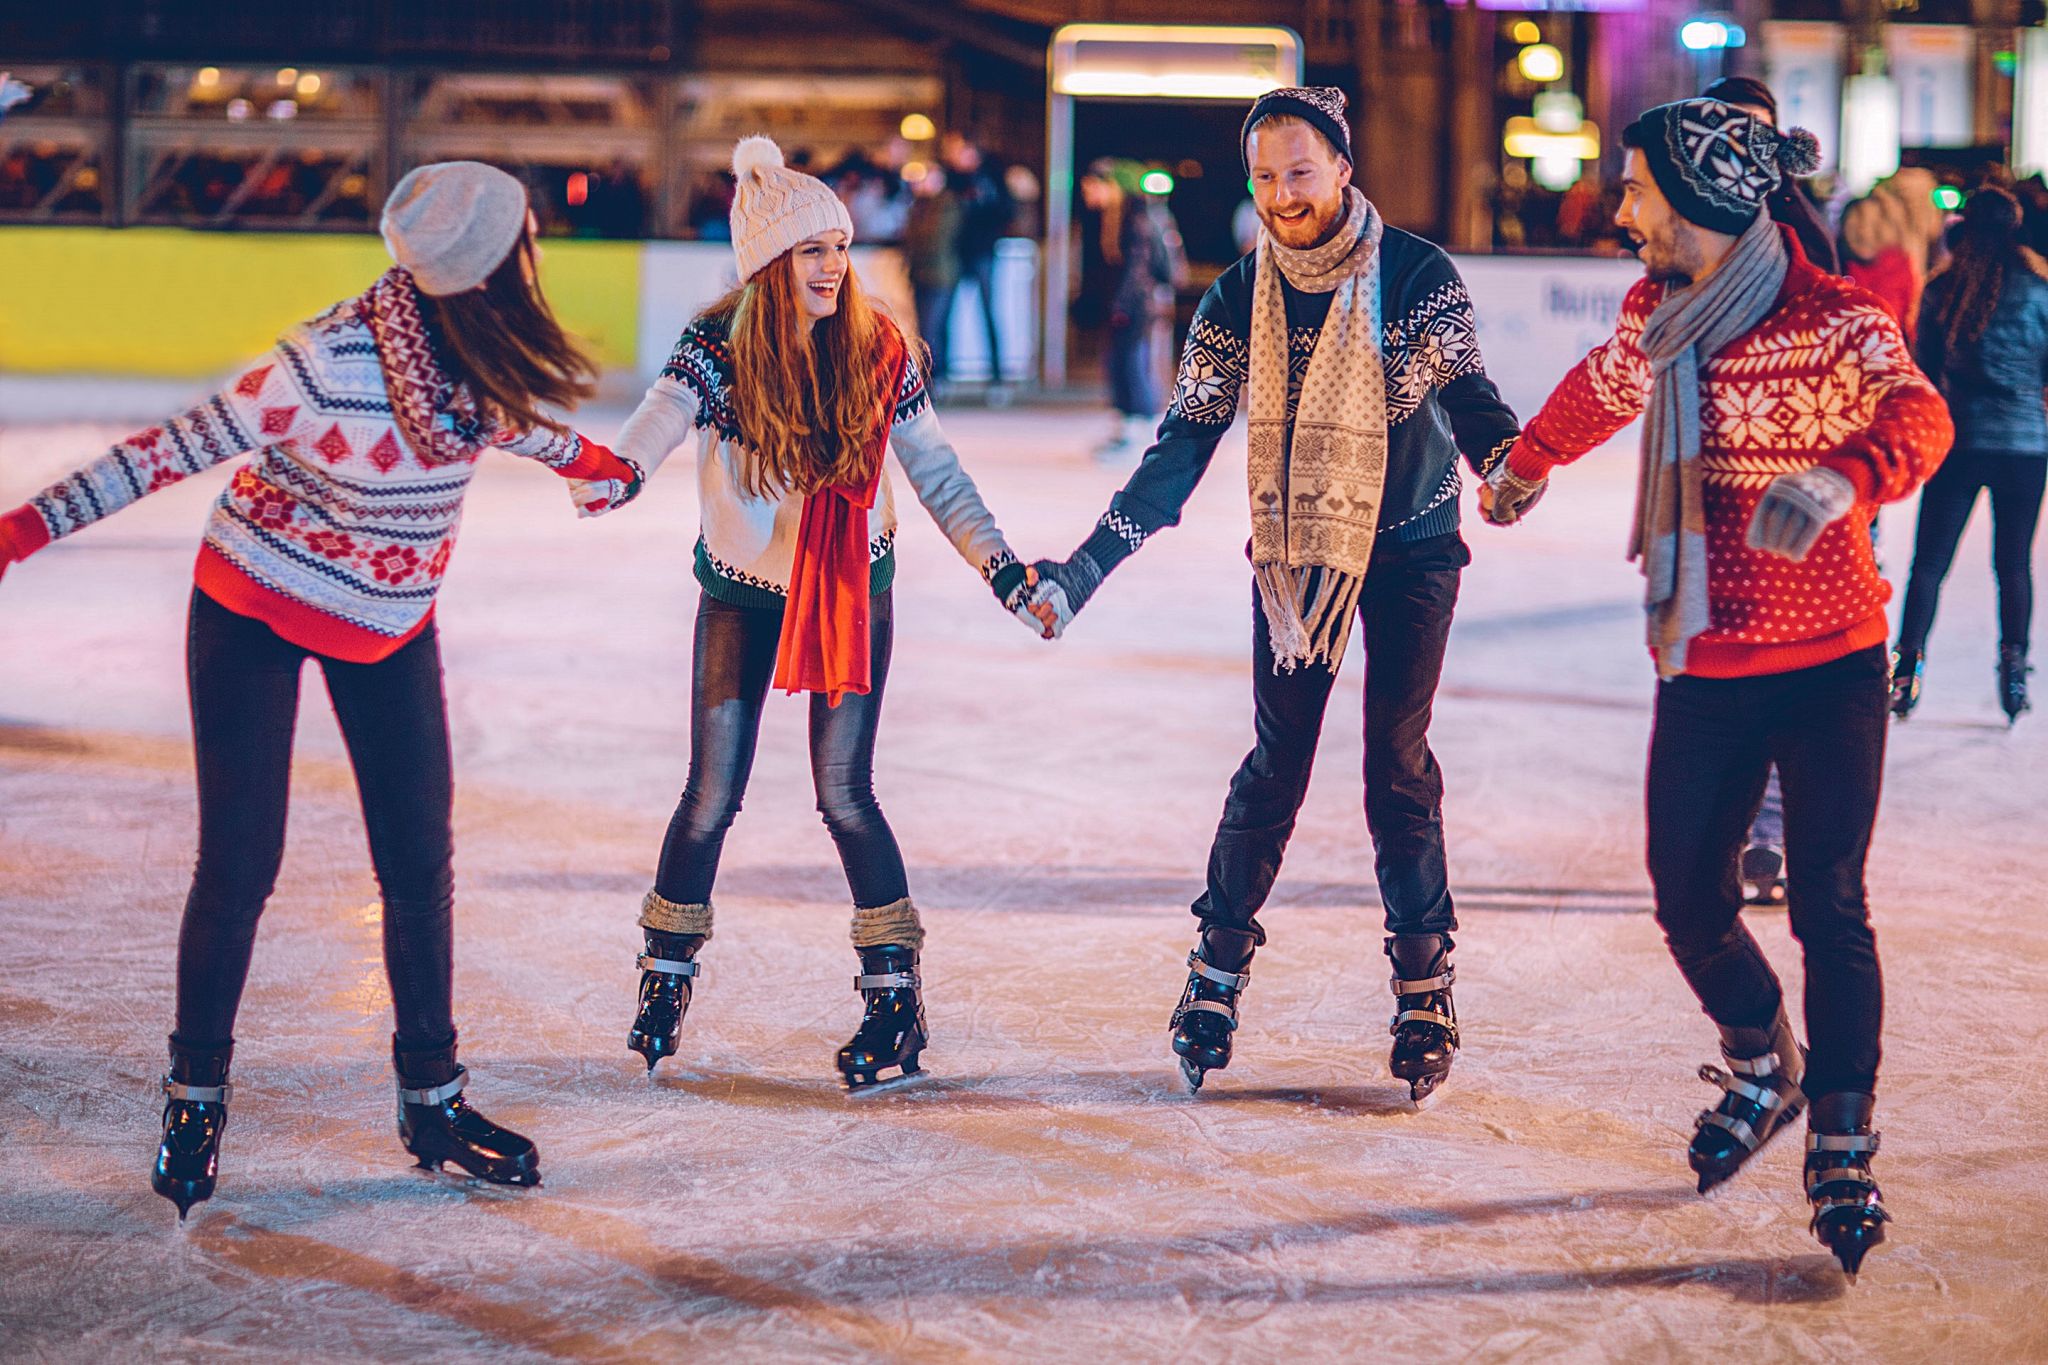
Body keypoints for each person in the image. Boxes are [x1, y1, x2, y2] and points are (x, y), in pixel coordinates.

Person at [0, 162, 639, 1216]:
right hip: (254, 600)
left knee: (416, 857)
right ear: (492, 262)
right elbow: (168, 450)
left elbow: (513, 426)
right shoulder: (323, 361)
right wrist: (24, 529)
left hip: (386, 619)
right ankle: (195, 1097)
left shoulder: (479, 360)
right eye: (528, 235)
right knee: (242, 860)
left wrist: (592, 462)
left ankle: (429, 1097)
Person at [1483, 100, 1951, 1277]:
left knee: (1826, 906)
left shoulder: (1832, 316)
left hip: (1831, 661)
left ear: (1694, 199)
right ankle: (1762, 1064)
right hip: (1703, 658)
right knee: (1686, 900)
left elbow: (1918, 414)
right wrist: (1524, 463)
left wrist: (1844, 478)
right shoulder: (1656, 314)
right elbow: (1597, 391)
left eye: (1635, 187)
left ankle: (1840, 1136)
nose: (1620, 208)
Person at [1031, 87, 1523, 1108]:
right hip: (1296, 562)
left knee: (1396, 764)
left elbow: (1473, 402)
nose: (1280, 195)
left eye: (1298, 171)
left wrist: (1512, 464)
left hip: (1414, 548)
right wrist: (1081, 570)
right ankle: (1214, 970)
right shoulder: (1236, 296)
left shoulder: (1417, 276)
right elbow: (1179, 448)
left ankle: (1422, 985)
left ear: (1342, 168)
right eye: (1262, 177)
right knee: (1275, 762)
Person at [573, 137, 1056, 1091]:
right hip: (742, 595)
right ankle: (666, 974)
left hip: (847, 591)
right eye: (812, 250)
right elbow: (662, 416)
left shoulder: (880, 351)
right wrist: (621, 471)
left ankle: (895, 999)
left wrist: (1001, 566)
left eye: (839, 246)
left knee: (845, 794)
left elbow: (937, 474)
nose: (835, 266)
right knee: (710, 793)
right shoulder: (716, 349)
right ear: (768, 263)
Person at [1892, 186, 2047, 724]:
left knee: (1929, 564)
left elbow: (1923, 373)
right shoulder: (2041, 289)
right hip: (2025, 448)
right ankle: (2013, 674)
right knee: (2014, 566)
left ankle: (1906, 669)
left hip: (1957, 445)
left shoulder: (1942, 288)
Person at [1077, 159, 1185, 459]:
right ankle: (1125, 427)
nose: (1088, 195)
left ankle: (1139, 430)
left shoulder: (1134, 216)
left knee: (1131, 362)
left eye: (1091, 188)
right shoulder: (1113, 216)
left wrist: (1121, 304)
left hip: (1137, 305)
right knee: (1118, 362)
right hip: (1125, 303)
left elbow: (1137, 268)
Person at [942, 132, 1014, 393]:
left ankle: (997, 378)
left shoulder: (991, 177)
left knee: (989, 314)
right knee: (944, 316)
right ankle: (941, 376)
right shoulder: (949, 179)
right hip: (953, 254)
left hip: (983, 252)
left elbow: (1007, 210)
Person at [903, 162, 963, 392]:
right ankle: (933, 380)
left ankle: (933, 381)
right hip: (922, 274)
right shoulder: (920, 204)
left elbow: (933, 239)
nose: (919, 183)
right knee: (926, 329)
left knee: (932, 329)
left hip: (940, 276)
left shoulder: (946, 205)